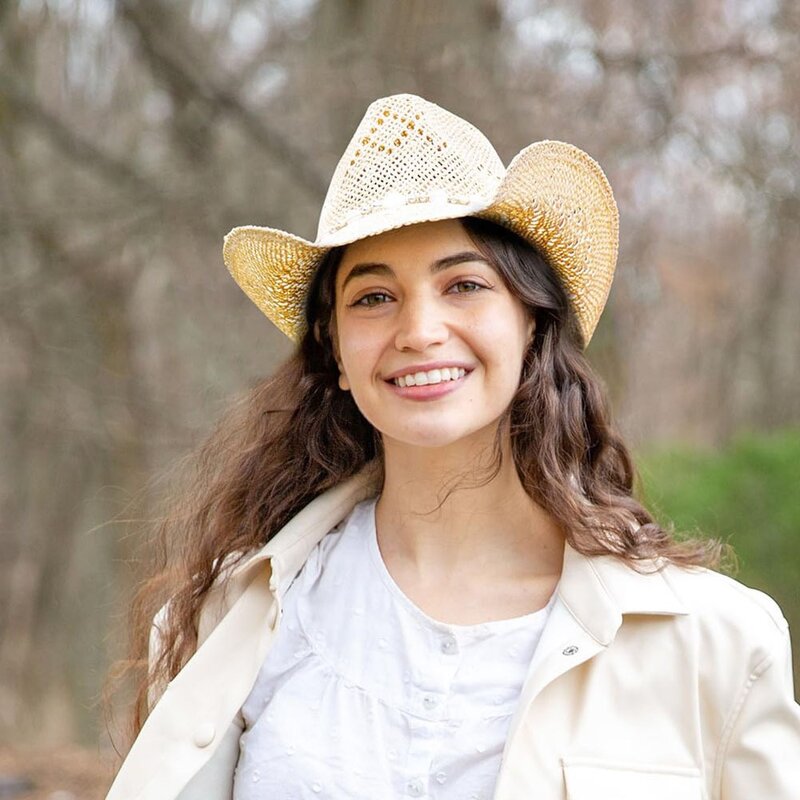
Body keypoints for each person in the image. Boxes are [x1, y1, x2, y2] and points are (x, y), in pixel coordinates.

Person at [105, 93, 800, 800]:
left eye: (464, 285)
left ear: (532, 324)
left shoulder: (717, 643)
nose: (420, 331)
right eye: (374, 298)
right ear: (335, 350)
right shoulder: (225, 622)